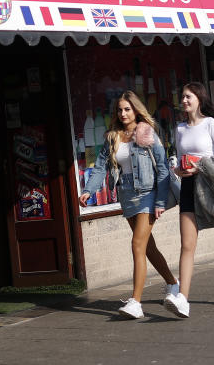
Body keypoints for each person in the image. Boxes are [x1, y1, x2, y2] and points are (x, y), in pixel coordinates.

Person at [79, 91, 178, 319]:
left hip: (148, 195)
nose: (123, 113)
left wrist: (161, 201)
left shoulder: (145, 132)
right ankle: (173, 283)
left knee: (137, 244)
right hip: (126, 195)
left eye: (127, 109)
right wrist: (88, 190)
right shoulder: (113, 137)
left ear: (136, 110)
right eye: (120, 110)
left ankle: (135, 302)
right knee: (148, 247)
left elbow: (162, 168)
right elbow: (101, 167)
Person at [164, 82, 214, 318]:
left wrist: (200, 166)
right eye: (183, 97)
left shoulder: (211, 124)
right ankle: (183, 299)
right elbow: (179, 159)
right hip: (188, 186)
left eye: (189, 96)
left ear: (199, 99)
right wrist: (179, 170)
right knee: (187, 244)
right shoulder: (179, 129)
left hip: (211, 185)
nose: (185, 100)